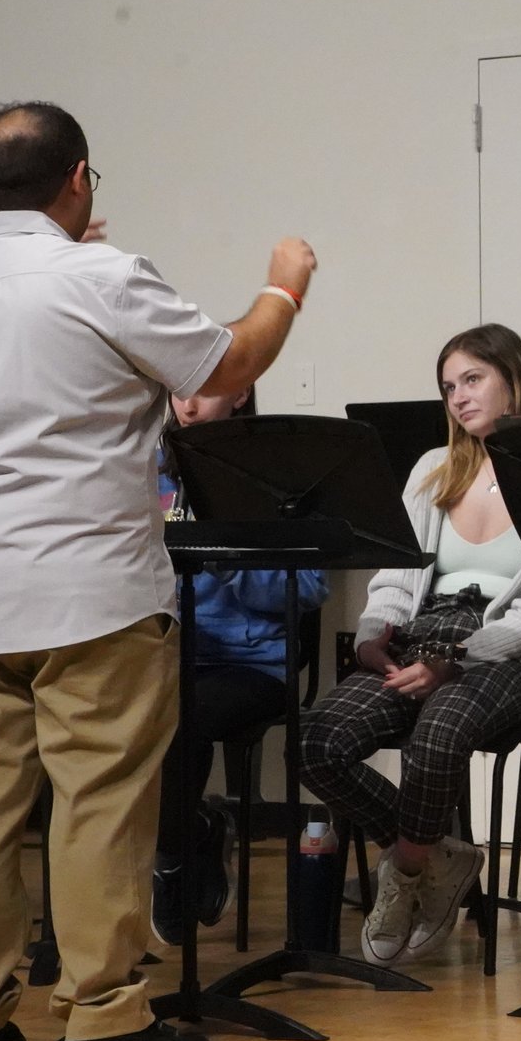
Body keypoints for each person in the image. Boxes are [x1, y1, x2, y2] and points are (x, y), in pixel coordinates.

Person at [0, 100, 315, 1041]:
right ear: (78, 180)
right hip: (93, 594)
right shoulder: (103, 276)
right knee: (97, 803)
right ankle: (103, 1014)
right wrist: (283, 283)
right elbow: (232, 359)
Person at [295, 325, 521, 966]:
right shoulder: (432, 468)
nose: (459, 397)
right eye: (449, 387)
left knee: (439, 735)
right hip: (423, 637)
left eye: (473, 379)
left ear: (513, 379)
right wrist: (373, 635)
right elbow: (397, 578)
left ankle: (404, 872)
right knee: (315, 740)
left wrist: (459, 660)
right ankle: (436, 855)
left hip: (508, 652)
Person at [150, 386, 329, 945]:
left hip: (253, 663)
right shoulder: (147, 468)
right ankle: (196, 830)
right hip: (166, 651)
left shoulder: (273, 476)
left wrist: (230, 562)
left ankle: (172, 862)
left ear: (242, 389)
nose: (188, 405)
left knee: (182, 715)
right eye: (177, 390)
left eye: (204, 390)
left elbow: (310, 587)